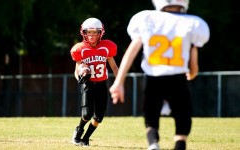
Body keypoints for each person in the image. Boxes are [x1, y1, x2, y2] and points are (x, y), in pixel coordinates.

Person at [109, 0, 210, 149]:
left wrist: (119, 82)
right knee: (183, 117)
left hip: (153, 76)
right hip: (178, 77)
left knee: (151, 114)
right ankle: (180, 145)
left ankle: (153, 143)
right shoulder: (192, 23)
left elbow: (131, 52)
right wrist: (193, 73)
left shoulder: (147, 19)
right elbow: (194, 64)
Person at [70, 17, 118, 146]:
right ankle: (79, 130)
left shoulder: (107, 47)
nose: (91, 35)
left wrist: (118, 82)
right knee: (87, 114)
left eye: (94, 32)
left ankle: (85, 138)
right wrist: (79, 79)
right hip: (88, 84)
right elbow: (77, 70)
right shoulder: (80, 49)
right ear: (84, 33)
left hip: (102, 84)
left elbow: (113, 66)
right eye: (89, 32)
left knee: (98, 117)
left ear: (100, 33)